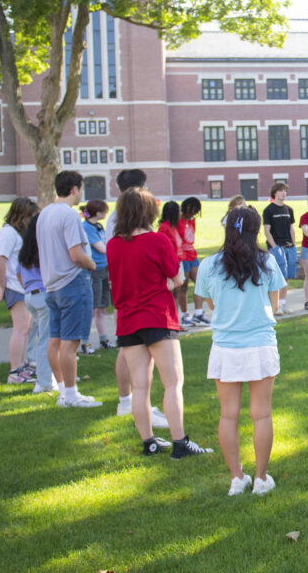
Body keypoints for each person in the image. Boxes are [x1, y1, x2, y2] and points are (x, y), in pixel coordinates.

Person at [107, 187, 212, 459]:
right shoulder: (157, 241)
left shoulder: (113, 244)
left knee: (139, 386)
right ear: (149, 211)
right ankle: (179, 443)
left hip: (128, 320)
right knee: (172, 382)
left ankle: (149, 442)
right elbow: (178, 279)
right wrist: (163, 283)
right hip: (157, 317)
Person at [196, 206, 285, 495]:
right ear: (255, 231)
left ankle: (237, 477)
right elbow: (273, 305)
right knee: (261, 414)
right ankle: (261, 478)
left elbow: (211, 303)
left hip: (226, 346)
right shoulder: (266, 261)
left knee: (228, 415)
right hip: (259, 344)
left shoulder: (209, 265)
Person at [107, 168, 169, 428]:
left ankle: (132, 403)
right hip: (139, 298)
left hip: (128, 296)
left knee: (135, 355)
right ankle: (127, 401)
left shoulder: (118, 219)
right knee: (134, 356)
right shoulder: (123, 220)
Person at [37, 170, 101, 407]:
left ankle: (64, 391)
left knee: (54, 339)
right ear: (75, 189)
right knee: (71, 343)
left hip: (51, 285)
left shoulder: (45, 214)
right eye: (81, 189)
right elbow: (76, 254)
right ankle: (72, 396)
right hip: (72, 282)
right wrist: (92, 264)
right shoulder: (69, 216)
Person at [0, 196, 39, 384]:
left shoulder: (17, 233)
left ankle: (23, 365)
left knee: (26, 328)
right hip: (14, 286)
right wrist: (2, 286)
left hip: (23, 285)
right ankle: (15, 371)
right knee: (20, 329)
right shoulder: (8, 234)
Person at [17, 214, 54, 393]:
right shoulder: (44, 249)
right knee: (47, 340)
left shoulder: (25, 249)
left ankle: (50, 375)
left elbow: (18, 273)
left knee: (43, 337)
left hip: (30, 296)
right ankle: (45, 381)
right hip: (44, 294)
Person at [81, 199, 111, 353]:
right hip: (95, 270)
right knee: (92, 309)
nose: (106, 213)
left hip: (105, 268)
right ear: (98, 213)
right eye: (104, 211)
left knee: (103, 307)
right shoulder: (86, 227)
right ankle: (84, 342)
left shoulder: (98, 226)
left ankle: (103, 339)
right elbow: (101, 248)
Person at [262, 183, 297, 315]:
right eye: (281, 191)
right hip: (277, 247)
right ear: (274, 193)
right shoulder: (269, 210)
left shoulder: (289, 209)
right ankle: (274, 305)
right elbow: (267, 230)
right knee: (277, 275)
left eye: (285, 191)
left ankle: (282, 303)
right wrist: (274, 247)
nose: (283, 193)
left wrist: (293, 245)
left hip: (289, 247)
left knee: (287, 276)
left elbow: (291, 228)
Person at [179, 197, 209, 325]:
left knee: (200, 283)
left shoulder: (192, 220)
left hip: (192, 255)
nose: (192, 214)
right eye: (191, 211)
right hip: (182, 257)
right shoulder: (177, 220)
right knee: (183, 287)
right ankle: (184, 315)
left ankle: (198, 313)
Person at [158, 201, 189, 326]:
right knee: (172, 294)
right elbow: (162, 248)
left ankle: (175, 321)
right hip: (171, 263)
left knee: (177, 292)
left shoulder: (175, 225)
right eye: (179, 210)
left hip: (178, 261)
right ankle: (171, 321)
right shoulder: (164, 227)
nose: (181, 213)